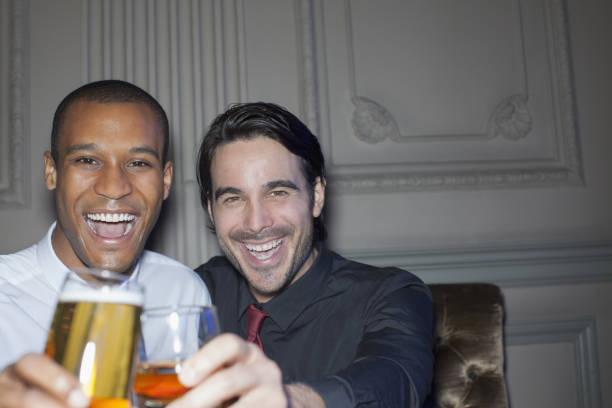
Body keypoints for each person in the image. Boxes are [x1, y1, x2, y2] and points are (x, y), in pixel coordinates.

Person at [171, 102, 434, 407]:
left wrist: (294, 400)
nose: (256, 223)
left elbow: (397, 378)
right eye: (232, 198)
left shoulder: (389, 294)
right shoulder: (195, 292)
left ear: (316, 196)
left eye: (278, 193)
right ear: (211, 211)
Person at [0, 80, 210, 407]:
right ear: (51, 172)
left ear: (165, 180)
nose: (114, 187)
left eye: (138, 163)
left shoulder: (183, 291)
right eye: (88, 160)